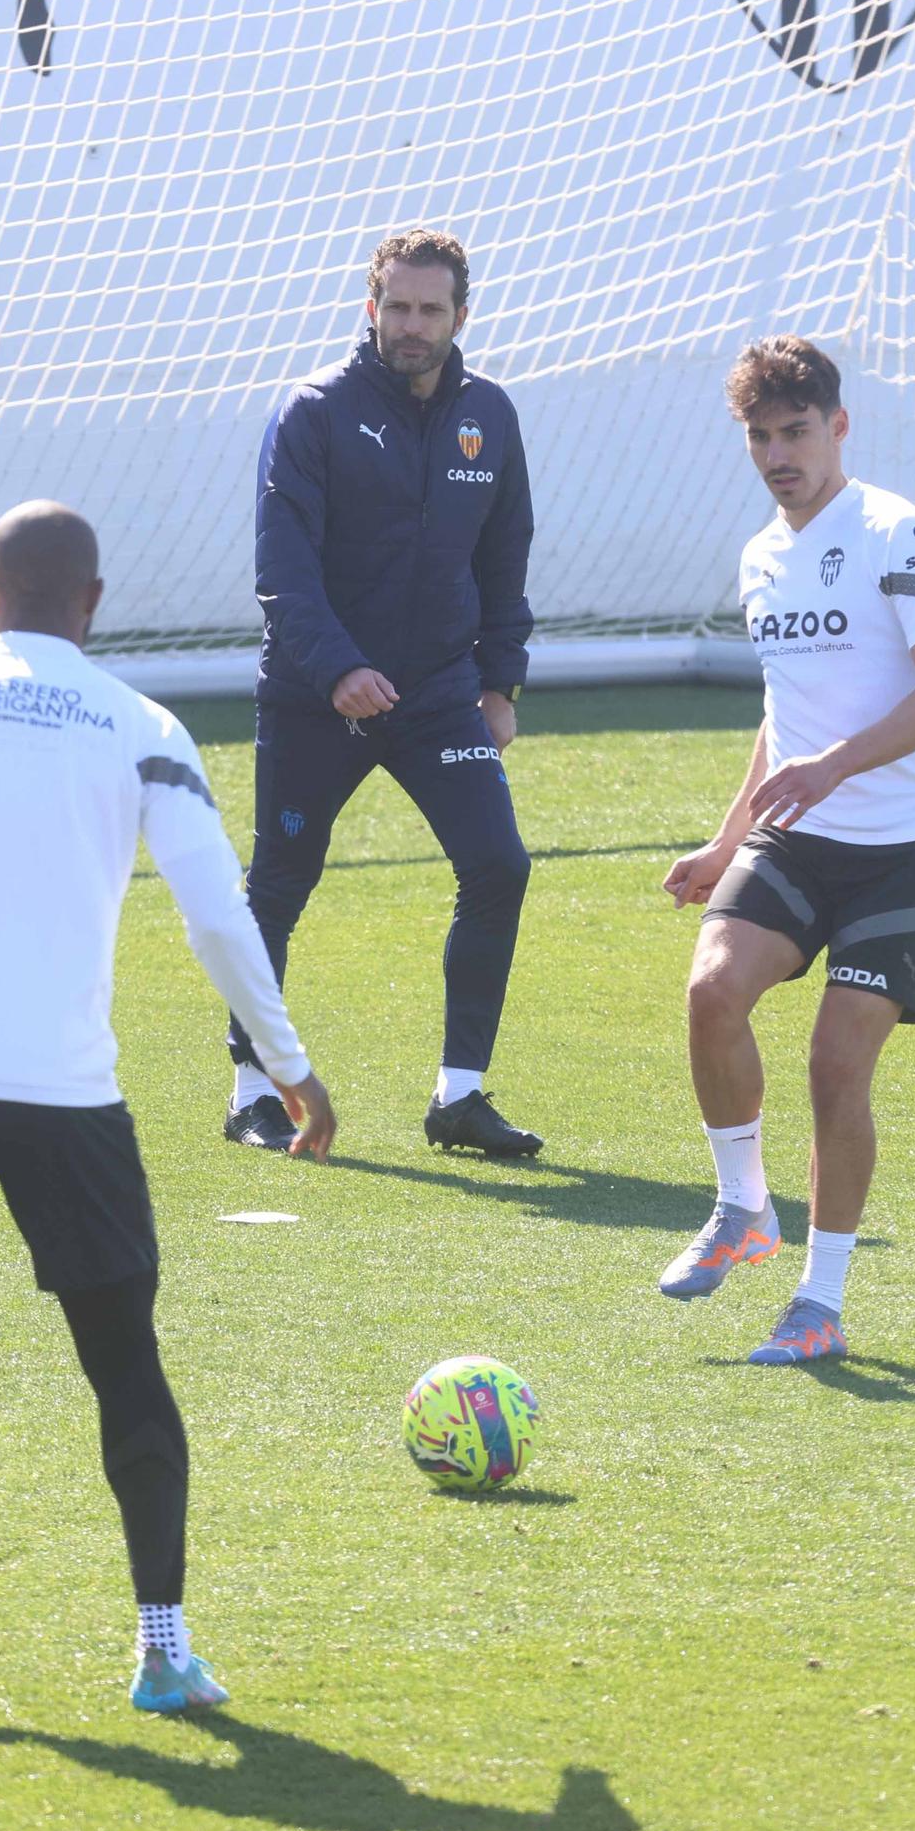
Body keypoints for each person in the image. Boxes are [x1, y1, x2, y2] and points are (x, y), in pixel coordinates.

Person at [0, 501, 335, 1711]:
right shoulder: (138, 723)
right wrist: (286, 1062)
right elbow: (218, 913)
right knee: (127, 1369)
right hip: (65, 1096)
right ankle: (162, 1648)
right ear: (93, 602)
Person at [659, 337, 915, 1363]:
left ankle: (820, 1303)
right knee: (712, 989)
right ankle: (742, 1207)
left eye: (795, 430)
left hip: (900, 847)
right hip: (795, 830)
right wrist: (721, 839)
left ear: (837, 426)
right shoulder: (761, 555)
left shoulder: (896, 530)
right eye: (760, 435)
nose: (777, 452)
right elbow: (781, 709)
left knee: (836, 1065)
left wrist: (834, 766)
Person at [224, 227, 542, 1158]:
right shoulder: (314, 412)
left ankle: (459, 1098)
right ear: (370, 309)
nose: (411, 325)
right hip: (316, 698)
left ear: (459, 316)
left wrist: (500, 682)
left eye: (428, 309)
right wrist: (339, 670)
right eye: (395, 307)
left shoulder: (491, 415)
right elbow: (283, 570)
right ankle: (253, 1092)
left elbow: (504, 557)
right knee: (278, 887)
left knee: (499, 867)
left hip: (441, 695)